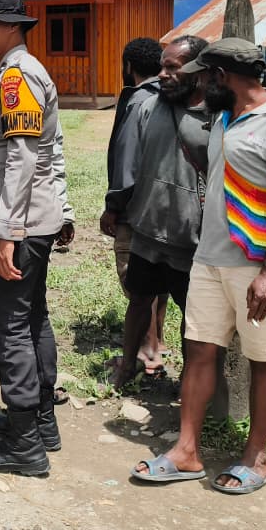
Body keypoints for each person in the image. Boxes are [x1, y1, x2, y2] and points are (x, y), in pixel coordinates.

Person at [132, 38, 266, 494]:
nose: (196, 81)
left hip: (259, 264)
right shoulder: (224, 116)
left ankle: (257, 456)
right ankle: (186, 450)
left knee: (264, 357)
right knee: (200, 348)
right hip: (210, 257)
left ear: (222, 76)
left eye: (201, 74)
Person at [0, 0, 74, 476]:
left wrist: (7, 232)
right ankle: (39, 422)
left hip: (17, 225)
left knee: (8, 328)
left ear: (14, 27)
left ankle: (25, 446)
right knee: (30, 321)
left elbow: (22, 157)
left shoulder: (16, 76)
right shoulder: (6, 73)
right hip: (26, 221)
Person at [113, 36, 210, 393]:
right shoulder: (147, 106)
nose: (164, 75)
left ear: (199, 71)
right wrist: (118, 208)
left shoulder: (215, 116)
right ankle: (127, 366)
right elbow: (129, 162)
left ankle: (189, 384)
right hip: (147, 231)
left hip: (192, 239)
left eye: (173, 67)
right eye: (162, 66)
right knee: (139, 301)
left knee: (192, 316)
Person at [101, 37, 165, 380]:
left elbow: (126, 163)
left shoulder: (137, 101)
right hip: (167, 210)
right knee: (162, 280)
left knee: (137, 284)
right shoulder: (172, 98)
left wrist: (113, 207)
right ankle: (157, 342)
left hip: (135, 211)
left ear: (128, 66)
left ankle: (144, 353)